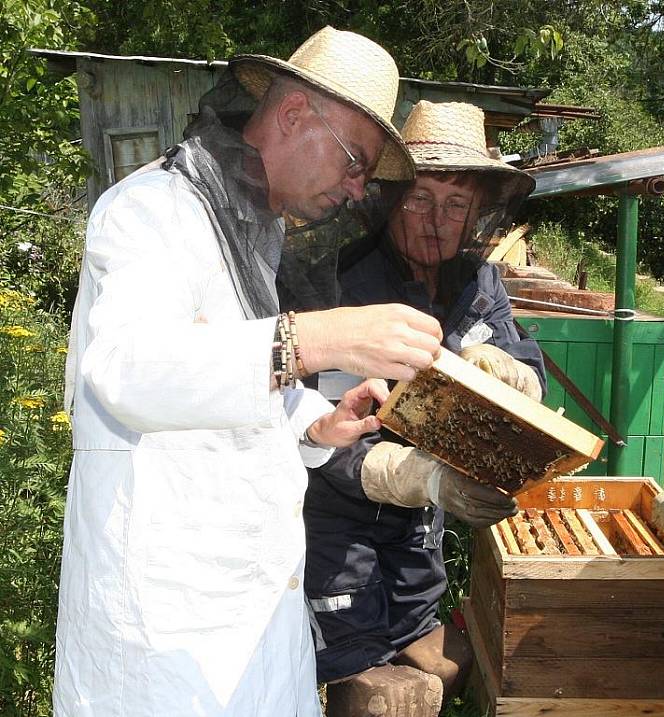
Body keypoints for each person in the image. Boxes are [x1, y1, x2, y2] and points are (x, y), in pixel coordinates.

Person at [53, 27, 445, 717]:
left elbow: (224, 383)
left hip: (255, 632)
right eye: (356, 162)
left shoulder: (251, 234)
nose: (358, 191)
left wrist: (315, 421)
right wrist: (318, 336)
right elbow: (127, 369)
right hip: (163, 649)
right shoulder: (152, 211)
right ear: (295, 115)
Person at [302, 100, 546, 717]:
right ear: (389, 198)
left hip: (420, 541)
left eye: (455, 204)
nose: (436, 220)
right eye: (420, 199)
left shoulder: (478, 283)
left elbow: (526, 365)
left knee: (450, 665)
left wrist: (513, 377)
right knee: (380, 697)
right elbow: (316, 433)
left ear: (478, 213)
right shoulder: (344, 286)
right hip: (338, 538)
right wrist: (421, 476)